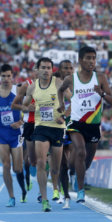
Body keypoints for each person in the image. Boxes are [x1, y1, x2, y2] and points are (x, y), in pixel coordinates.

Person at [57, 46, 112, 203]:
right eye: (88, 58)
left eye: (93, 58)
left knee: (87, 160)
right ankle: (80, 190)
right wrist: (61, 105)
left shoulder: (100, 78)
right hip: (76, 123)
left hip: (93, 125)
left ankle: (75, 174)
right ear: (80, 60)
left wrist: (101, 93)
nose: (91, 61)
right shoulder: (71, 79)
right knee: (80, 151)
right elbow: (61, 90)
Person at [22, 57, 70, 212]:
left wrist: (64, 116)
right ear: (37, 69)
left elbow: (74, 100)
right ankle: (44, 199)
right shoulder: (32, 87)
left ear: (52, 70)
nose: (46, 70)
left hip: (57, 128)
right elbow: (23, 105)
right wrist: (27, 108)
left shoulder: (58, 83)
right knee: (41, 163)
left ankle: (56, 187)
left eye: (49, 68)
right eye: (43, 67)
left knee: (55, 168)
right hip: (40, 127)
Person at [0, 64, 26, 207]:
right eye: (3, 76)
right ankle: (11, 196)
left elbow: (28, 109)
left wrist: (21, 122)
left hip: (16, 133)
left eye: (9, 76)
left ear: (12, 76)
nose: (6, 79)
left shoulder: (19, 90)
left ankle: (23, 187)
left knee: (17, 168)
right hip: (1, 131)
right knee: (6, 165)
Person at [54, 60, 74, 209]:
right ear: (59, 70)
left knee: (71, 161)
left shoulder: (73, 83)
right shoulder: (55, 82)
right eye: (65, 68)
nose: (68, 70)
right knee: (61, 164)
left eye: (70, 68)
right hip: (53, 126)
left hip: (69, 125)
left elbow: (74, 101)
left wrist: (65, 116)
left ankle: (71, 180)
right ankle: (64, 194)